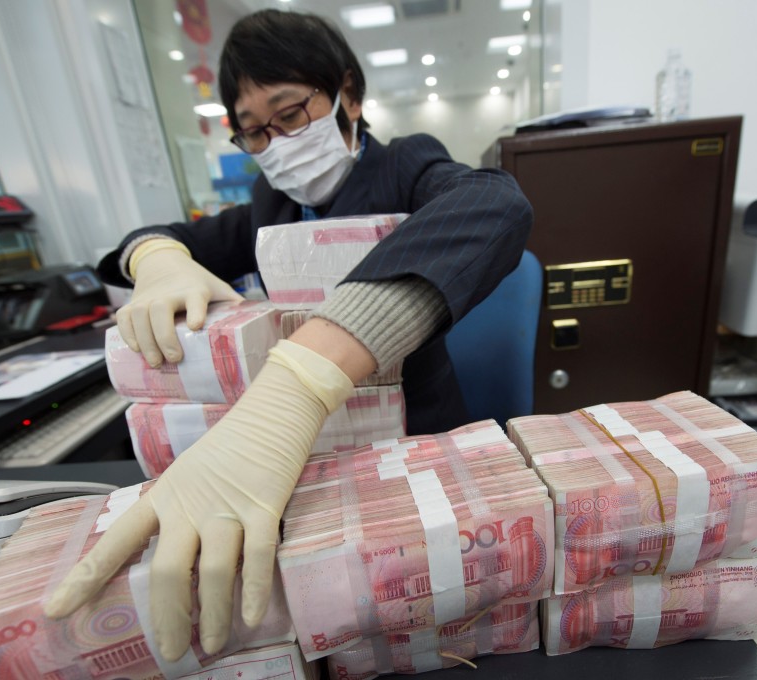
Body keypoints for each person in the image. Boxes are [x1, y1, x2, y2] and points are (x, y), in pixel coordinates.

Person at [45, 8, 533, 664]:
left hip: (413, 444)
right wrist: (156, 259)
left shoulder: (405, 165)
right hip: (307, 460)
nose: (277, 143)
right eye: (254, 132)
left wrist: (303, 377)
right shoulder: (270, 206)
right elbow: (159, 240)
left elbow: (496, 204)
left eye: (291, 114)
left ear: (348, 95)